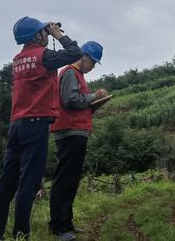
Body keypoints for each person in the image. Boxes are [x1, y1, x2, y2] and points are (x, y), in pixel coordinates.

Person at [0, 17, 83, 240]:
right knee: (28, 185)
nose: (47, 36)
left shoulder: (17, 59)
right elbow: (75, 53)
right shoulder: (44, 56)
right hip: (36, 124)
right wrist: (59, 33)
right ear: (37, 36)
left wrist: (48, 31)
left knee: (6, 183)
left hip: (16, 125)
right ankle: (21, 235)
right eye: (44, 33)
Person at [48, 41, 108, 240]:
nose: (92, 68)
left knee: (71, 180)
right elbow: (71, 100)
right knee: (64, 179)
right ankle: (58, 227)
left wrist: (95, 102)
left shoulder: (77, 75)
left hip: (77, 132)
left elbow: (80, 104)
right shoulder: (70, 73)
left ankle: (67, 223)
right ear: (85, 57)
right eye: (93, 63)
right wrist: (93, 96)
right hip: (69, 133)